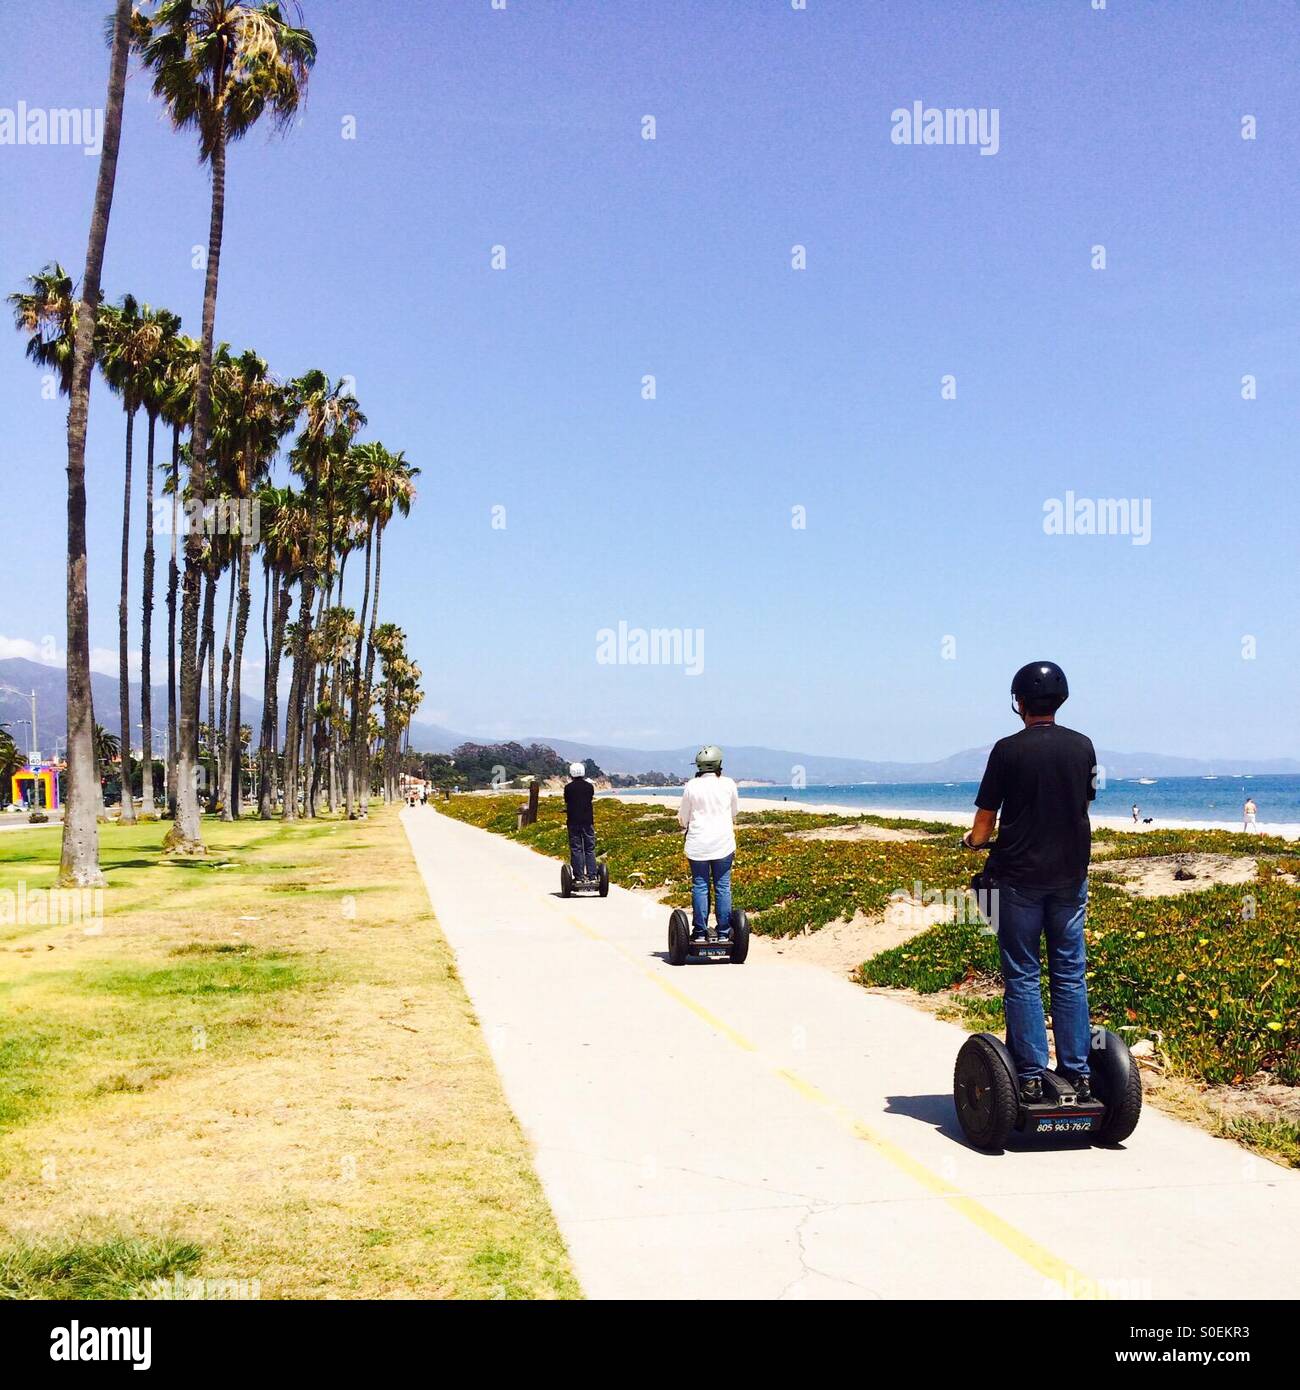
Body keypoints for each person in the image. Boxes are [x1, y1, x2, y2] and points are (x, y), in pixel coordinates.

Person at [963, 662, 1098, 1103]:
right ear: (1060, 701)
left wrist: (973, 842)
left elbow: (986, 817)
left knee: (1022, 973)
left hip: (1018, 878)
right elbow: (1084, 800)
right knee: (1070, 973)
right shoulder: (1083, 747)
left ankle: (1031, 1074)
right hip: (1070, 875)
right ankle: (1078, 1072)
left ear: (1019, 703)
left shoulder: (1006, 750)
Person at [677, 745, 739, 939]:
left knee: (700, 885)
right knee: (723, 886)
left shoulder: (692, 786)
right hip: (723, 843)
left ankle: (700, 932)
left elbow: (682, 818)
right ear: (719, 764)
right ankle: (723, 932)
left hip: (698, 845)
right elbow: (734, 811)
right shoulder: (729, 784)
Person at [564, 761, 598, 881]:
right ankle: (592, 874)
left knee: (576, 848)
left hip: (573, 822)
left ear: (571, 773)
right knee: (589, 848)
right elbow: (589, 798)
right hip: (588, 822)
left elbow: (567, 801)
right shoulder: (589, 787)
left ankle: (579, 876)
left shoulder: (568, 788)